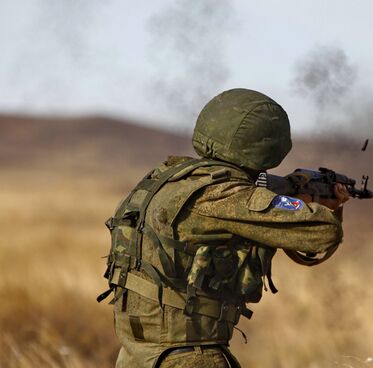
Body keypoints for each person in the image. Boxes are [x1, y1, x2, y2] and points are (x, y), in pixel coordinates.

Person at [98, 88, 349, 368]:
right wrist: (329, 207)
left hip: (137, 355)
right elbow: (323, 232)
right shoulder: (223, 195)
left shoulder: (164, 181)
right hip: (189, 357)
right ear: (270, 145)